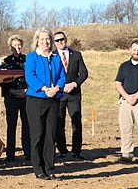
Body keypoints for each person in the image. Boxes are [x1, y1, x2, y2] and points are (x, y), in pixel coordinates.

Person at [24, 28, 66, 180]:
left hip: (53, 99)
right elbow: (30, 76)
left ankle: (50, 168)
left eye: (48, 39)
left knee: (50, 135)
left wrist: (56, 88)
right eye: (42, 39)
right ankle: (38, 168)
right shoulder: (31, 57)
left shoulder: (55, 58)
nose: (45, 42)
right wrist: (44, 88)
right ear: (37, 41)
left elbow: (62, 75)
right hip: (36, 100)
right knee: (38, 134)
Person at [53, 31, 89, 159]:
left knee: (76, 122)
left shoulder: (76, 55)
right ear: (54, 42)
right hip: (58, 94)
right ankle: (62, 150)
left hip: (74, 94)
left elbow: (84, 73)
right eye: (57, 40)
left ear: (66, 39)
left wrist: (74, 84)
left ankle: (77, 151)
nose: (60, 42)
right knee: (59, 122)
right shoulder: (52, 56)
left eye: (61, 39)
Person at [0, 35, 30, 162]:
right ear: (10, 47)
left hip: (25, 95)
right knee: (11, 125)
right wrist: (10, 90)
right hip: (11, 95)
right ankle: (10, 154)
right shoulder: (6, 61)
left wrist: (27, 90)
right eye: (15, 46)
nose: (17, 48)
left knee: (26, 124)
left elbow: (32, 75)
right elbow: (0, 79)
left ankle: (28, 152)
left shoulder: (27, 60)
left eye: (19, 45)